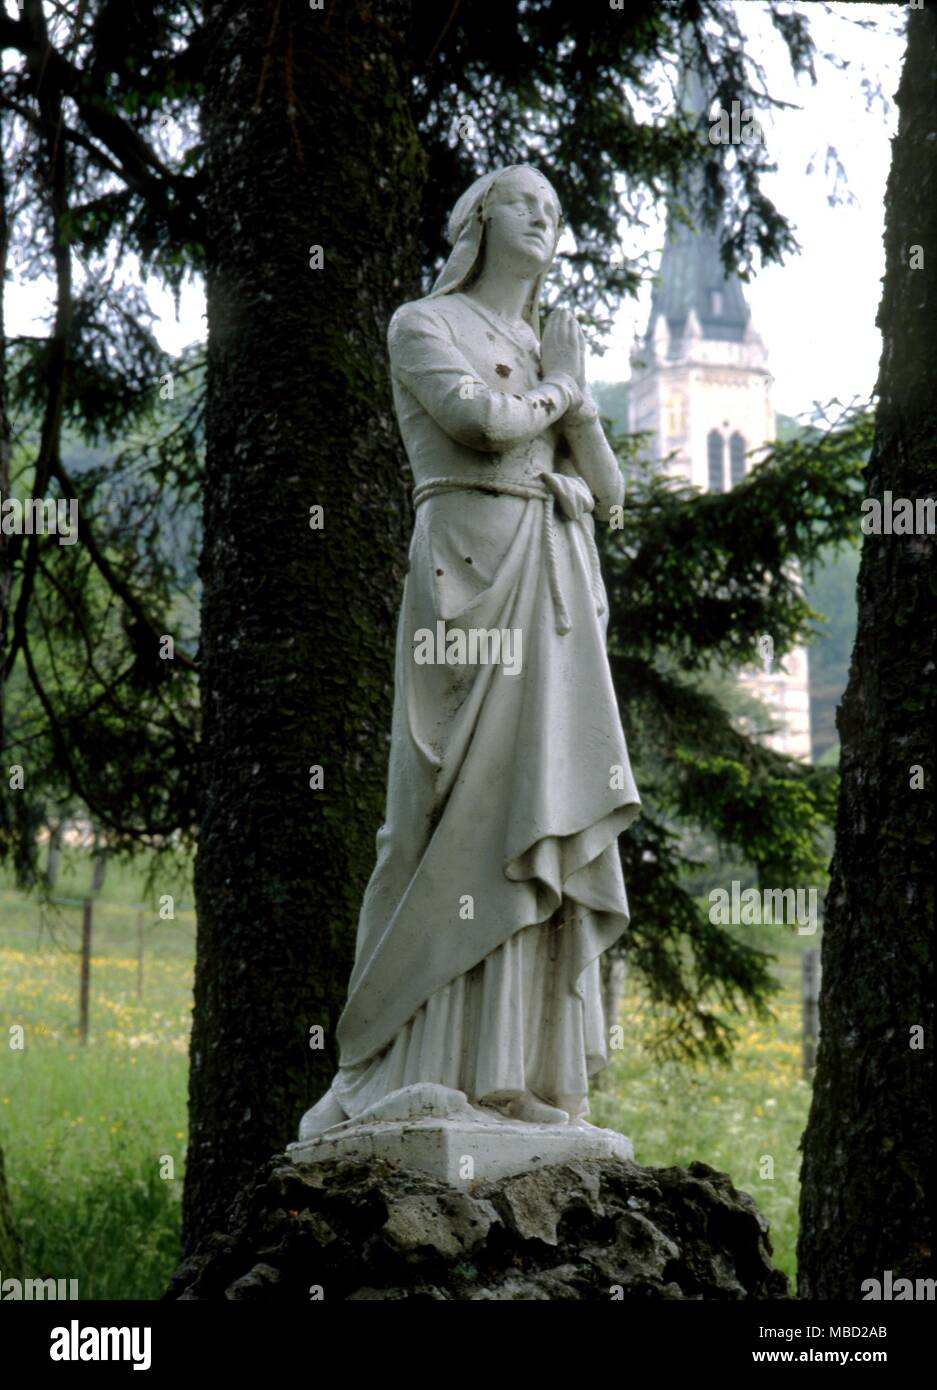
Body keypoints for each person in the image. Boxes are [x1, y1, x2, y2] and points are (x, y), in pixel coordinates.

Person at [299, 164, 640, 1138]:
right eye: (523, 201)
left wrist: (574, 403)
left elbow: (609, 491)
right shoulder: (423, 324)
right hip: (463, 576)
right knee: (429, 821)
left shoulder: (544, 347)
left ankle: (509, 1073)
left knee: (533, 809)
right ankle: (375, 1061)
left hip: (549, 586)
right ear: (477, 220)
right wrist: (562, 389)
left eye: (557, 209)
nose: (544, 217)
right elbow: (480, 425)